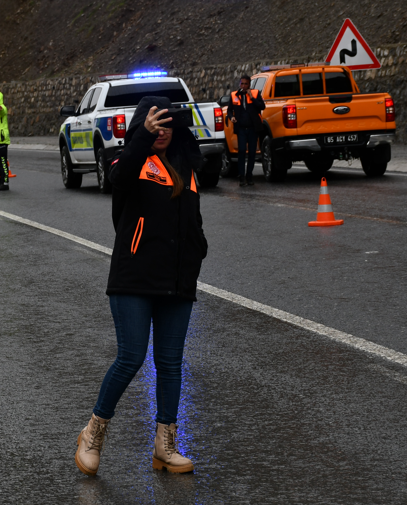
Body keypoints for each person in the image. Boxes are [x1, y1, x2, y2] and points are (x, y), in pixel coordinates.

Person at [75, 96, 208, 477]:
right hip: (133, 278)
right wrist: (142, 139)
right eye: (154, 124)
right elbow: (117, 180)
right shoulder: (129, 161)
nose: (161, 131)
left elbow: (194, 223)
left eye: (167, 124)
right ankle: (93, 433)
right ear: (141, 126)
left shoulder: (186, 168)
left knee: (170, 363)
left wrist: (197, 252)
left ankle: (165, 446)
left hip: (177, 283)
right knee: (131, 357)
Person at [226, 75, 265, 186]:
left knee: (252, 153)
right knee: (242, 151)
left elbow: (262, 106)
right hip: (241, 129)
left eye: (245, 84)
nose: (243, 86)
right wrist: (231, 117)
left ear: (249, 85)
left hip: (253, 128)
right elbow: (229, 110)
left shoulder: (256, 93)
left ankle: (249, 176)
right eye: (242, 83)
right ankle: (242, 177)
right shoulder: (234, 95)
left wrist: (251, 97)